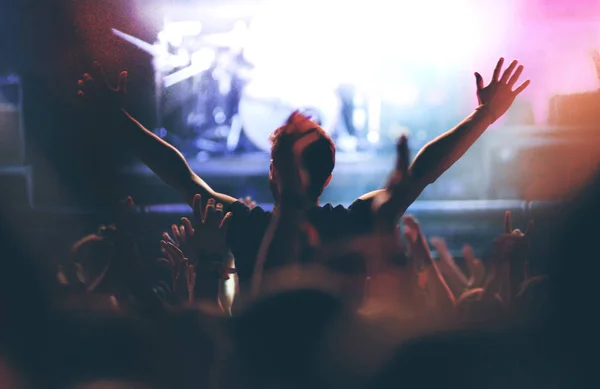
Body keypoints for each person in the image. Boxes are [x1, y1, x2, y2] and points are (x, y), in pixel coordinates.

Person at [77, 58, 529, 283]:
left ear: (274, 173)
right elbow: (421, 173)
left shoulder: (247, 226)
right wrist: (482, 117)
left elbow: (181, 176)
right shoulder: (354, 221)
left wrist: (118, 118)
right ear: (328, 178)